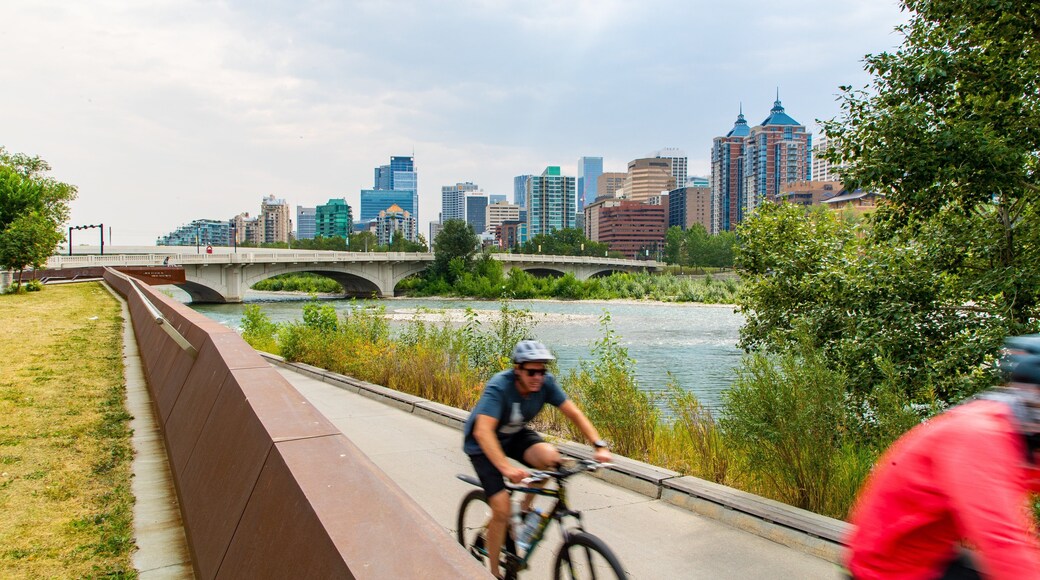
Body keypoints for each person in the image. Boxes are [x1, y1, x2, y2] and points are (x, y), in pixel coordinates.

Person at [845, 335, 1040, 579]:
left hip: (930, 554)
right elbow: (1003, 541)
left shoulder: (1018, 426)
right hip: (889, 569)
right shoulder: (981, 435)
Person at [463, 339, 611, 579]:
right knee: (501, 505)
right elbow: (483, 431)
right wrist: (506, 469)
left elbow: (573, 412)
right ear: (517, 369)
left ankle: (522, 508)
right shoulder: (500, 386)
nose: (538, 377)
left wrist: (599, 445)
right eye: (531, 371)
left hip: (513, 434)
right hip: (482, 443)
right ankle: (493, 572)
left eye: (542, 371)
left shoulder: (545, 384)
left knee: (552, 459)